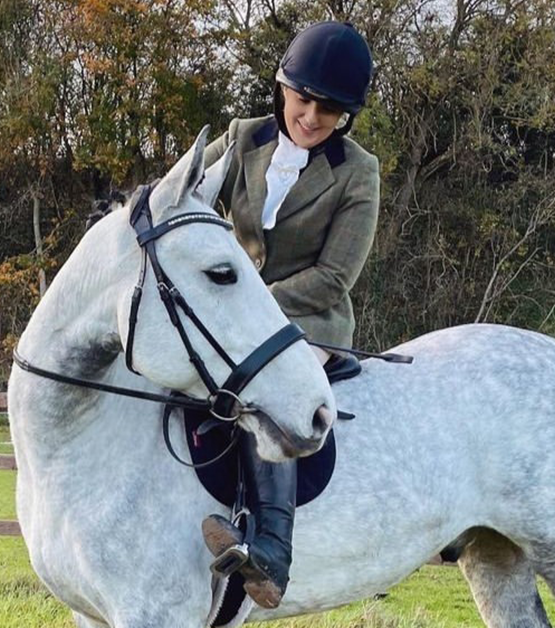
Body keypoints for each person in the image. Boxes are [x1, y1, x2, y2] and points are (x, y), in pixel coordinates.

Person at [199, 21, 379, 609]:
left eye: (329, 111)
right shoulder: (242, 137)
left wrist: (246, 305)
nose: (311, 117)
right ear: (282, 85)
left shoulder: (358, 172)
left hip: (312, 322)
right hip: (233, 315)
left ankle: (273, 550)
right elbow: (193, 197)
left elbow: (335, 277)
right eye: (303, 100)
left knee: (265, 387)